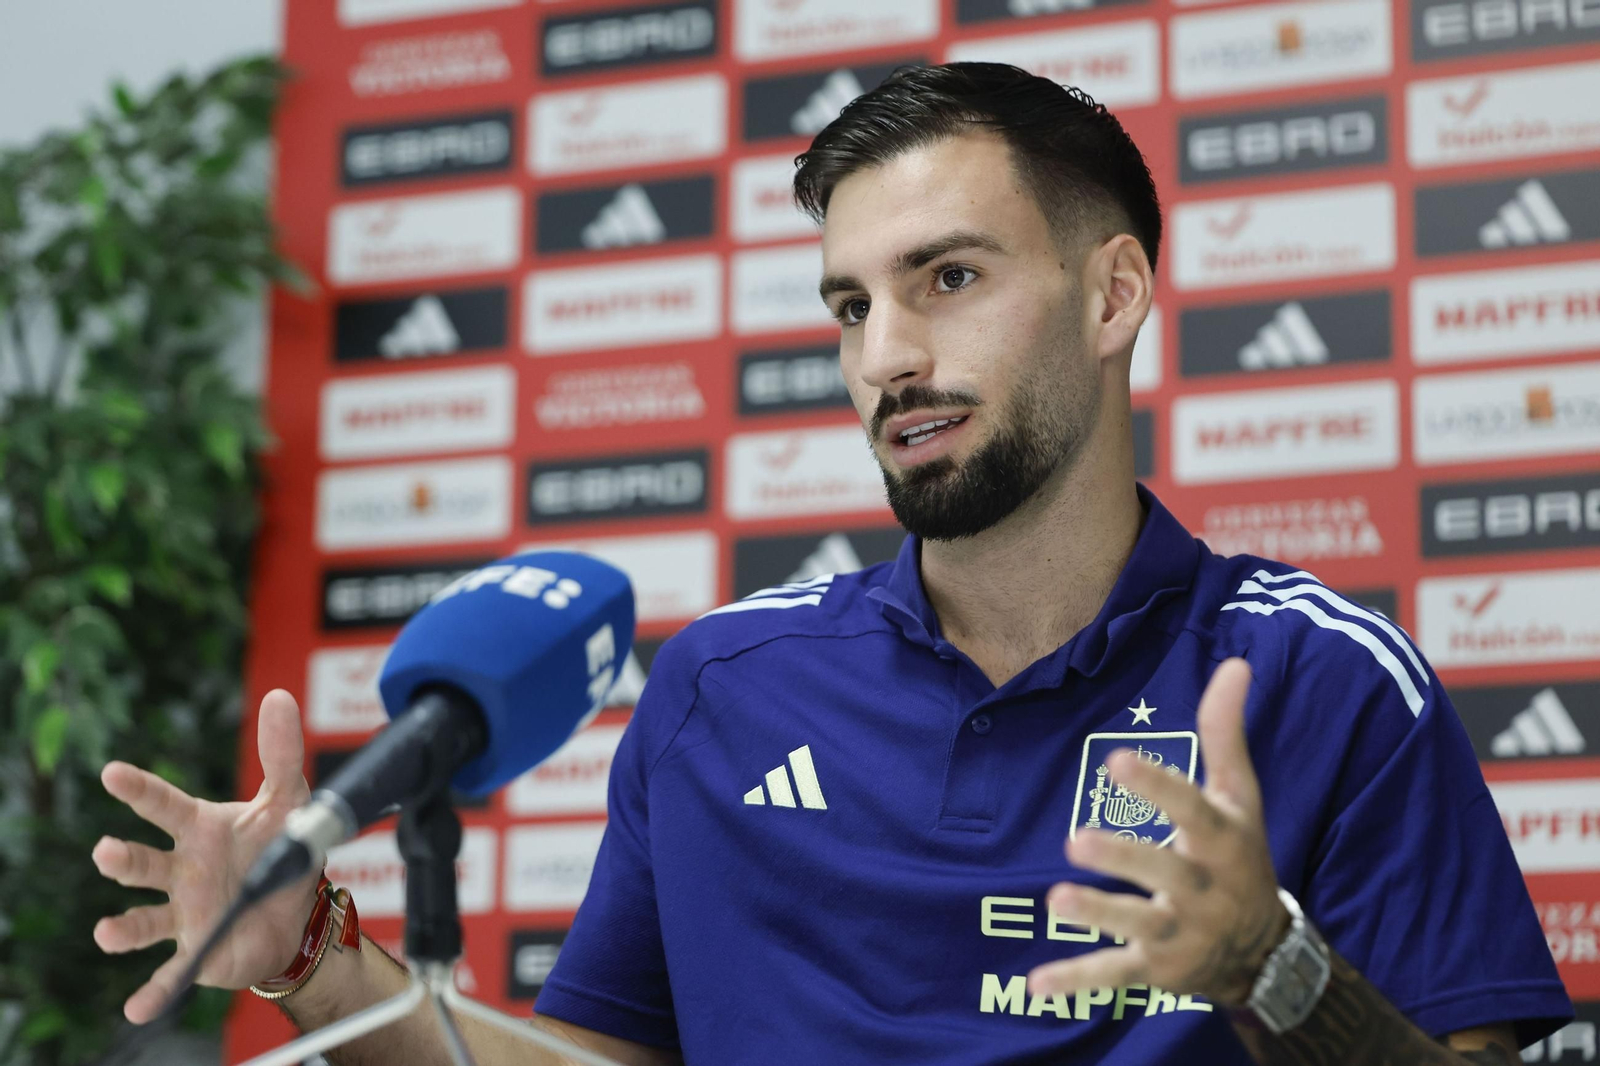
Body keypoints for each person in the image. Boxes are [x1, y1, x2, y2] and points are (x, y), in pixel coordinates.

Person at [93, 63, 1570, 1065]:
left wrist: (1272, 967)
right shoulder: (724, 687)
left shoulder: (1323, 679)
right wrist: (320, 963)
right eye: (850, 306)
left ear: (1113, 293)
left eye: (950, 279)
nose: (888, 356)